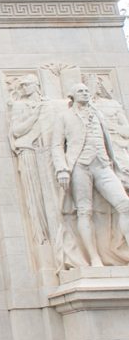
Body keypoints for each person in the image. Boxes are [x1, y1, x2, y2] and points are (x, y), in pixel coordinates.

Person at [51, 82, 129, 266]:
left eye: (86, 91)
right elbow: (56, 145)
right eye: (80, 91)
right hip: (79, 166)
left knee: (125, 204)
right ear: (72, 95)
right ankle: (94, 258)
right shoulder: (64, 116)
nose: (85, 93)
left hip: (103, 165)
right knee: (84, 211)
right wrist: (62, 168)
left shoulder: (98, 114)